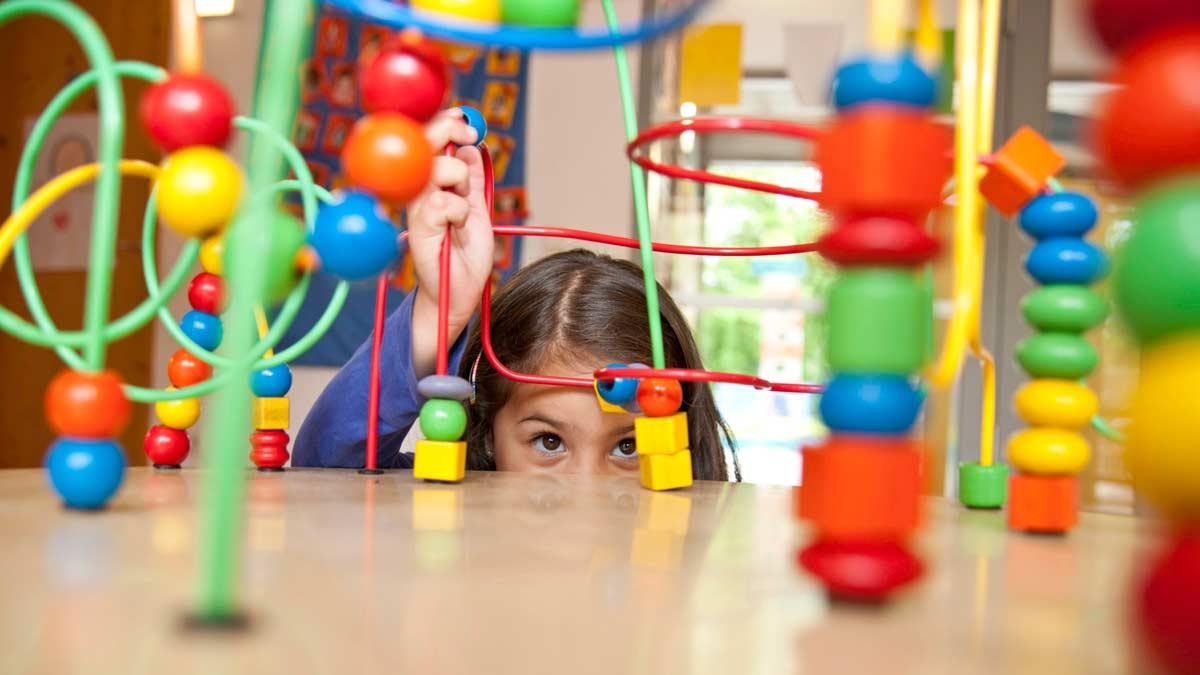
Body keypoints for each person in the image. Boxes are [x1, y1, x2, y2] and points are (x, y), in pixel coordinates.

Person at [293, 111, 738, 481]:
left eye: (628, 446)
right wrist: (437, 315)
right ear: (487, 436)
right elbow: (326, 471)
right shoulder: (454, 509)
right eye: (549, 442)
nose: (586, 496)